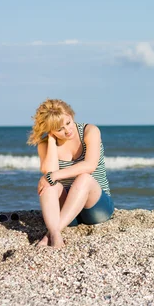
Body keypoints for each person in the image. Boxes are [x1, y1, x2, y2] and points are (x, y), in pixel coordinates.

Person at [27, 99, 113, 248]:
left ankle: (51, 234)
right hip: (68, 214)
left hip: (95, 208)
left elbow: (90, 166)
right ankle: (56, 233)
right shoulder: (44, 144)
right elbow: (50, 172)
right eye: (59, 129)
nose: (67, 130)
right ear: (50, 130)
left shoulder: (90, 131)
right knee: (48, 185)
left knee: (84, 178)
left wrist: (53, 176)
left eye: (68, 122)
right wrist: (52, 142)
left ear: (71, 115)